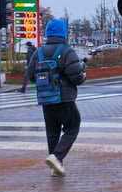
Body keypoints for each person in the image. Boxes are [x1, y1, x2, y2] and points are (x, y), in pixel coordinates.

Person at [25, 19, 85, 177]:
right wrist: (82, 76)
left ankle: (55, 168)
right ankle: (57, 158)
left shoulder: (39, 52)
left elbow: (30, 75)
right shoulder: (66, 51)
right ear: (63, 33)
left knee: (52, 133)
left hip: (46, 98)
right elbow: (76, 77)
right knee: (73, 127)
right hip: (64, 98)